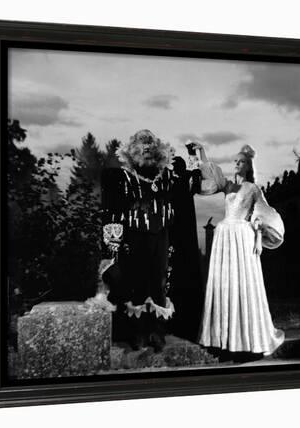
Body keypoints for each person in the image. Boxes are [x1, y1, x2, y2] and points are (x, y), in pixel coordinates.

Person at [193, 142, 285, 356]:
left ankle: (248, 340)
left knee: (243, 282)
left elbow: (262, 213)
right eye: (235, 161)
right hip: (225, 234)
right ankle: (226, 339)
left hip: (242, 235)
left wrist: (258, 234)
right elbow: (211, 179)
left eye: (240, 162)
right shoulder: (229, 186)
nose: (236, 164)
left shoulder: (253, 189)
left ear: (248, 166)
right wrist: (201, 153)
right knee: (225, 283)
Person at [100, 129, 176, 352]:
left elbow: (193, 188)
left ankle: (157, 331)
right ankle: (139, 332)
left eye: (151, 147)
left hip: (161, 235)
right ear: (132, 152)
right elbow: (112, 209)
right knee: (137, 283)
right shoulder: (122, 178)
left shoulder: (167, 178)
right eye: (141, 147)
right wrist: (112, 242)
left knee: (160, 282)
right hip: (134, 236)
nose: (147, 150)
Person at [168, 156, 203, 340]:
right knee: (181, 267)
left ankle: (186, 318)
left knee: (182, 266)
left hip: (181, 229)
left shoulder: (180, 179)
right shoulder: (182, 178)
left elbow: (197, 181)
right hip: (180, 229)